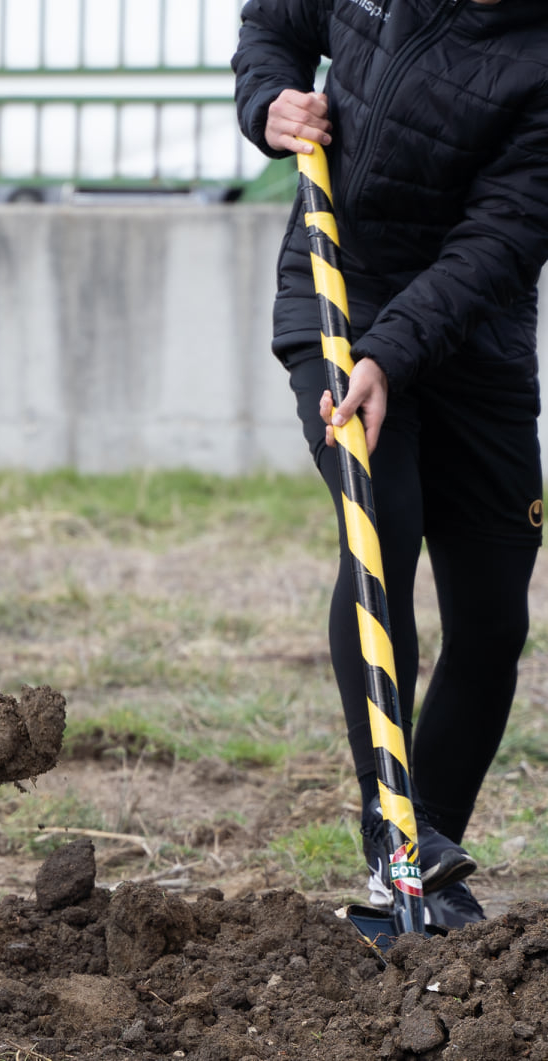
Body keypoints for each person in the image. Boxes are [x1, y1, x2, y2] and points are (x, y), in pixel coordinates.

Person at [232, 0, 548, 930]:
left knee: (491, 620)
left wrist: (397, 356)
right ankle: (393, 830)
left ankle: (423, 855)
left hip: (473, 339)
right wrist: (268, 105)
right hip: (339, 298)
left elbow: (501, 237)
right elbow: (271, 28)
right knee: (382, 535)